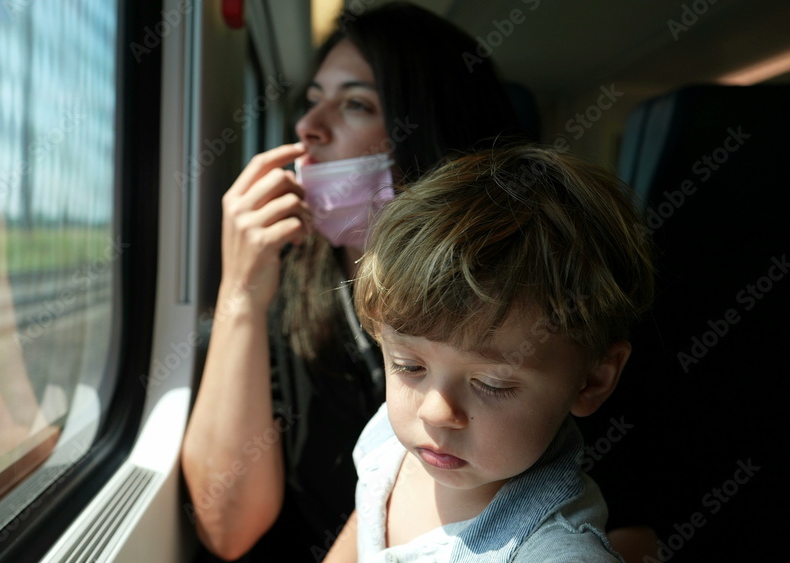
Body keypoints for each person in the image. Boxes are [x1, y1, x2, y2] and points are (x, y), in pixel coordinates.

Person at [180, 3, 522, 562]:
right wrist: (240, 293)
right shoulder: (283, 288)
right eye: (312, 100)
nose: (308, 127)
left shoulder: (518, 297)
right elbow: (226, 527)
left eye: (355, 104)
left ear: (428, 133)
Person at [322, 145, 655, 561]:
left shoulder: (554, 553)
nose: (434, 411)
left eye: (491, 384)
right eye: (409, 366)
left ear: (592, 379)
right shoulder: (391, 445)